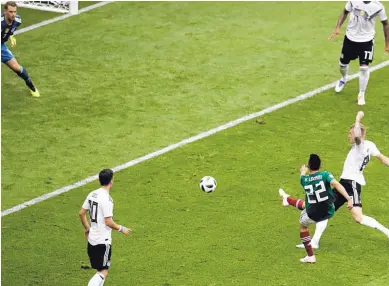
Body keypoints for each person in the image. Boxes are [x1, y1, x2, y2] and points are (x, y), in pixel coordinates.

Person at [280, 111, 389, 249]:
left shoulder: (360, 146)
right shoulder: (370, 145)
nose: (349, 136)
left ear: (358, 135)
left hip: (352, 184)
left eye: (350, 133)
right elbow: (383, 159)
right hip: (345, 183)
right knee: (325, 210)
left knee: (358, 217)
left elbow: (357, 135)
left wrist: (357, 118)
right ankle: (315, 242)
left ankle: (387, 232)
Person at [288, 154, 352, 263]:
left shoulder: (304, 180)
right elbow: (337, 185)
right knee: (307, 205)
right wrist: (349, 199)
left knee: (303, 226)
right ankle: (287, 200)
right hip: (329, 210)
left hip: (313, 213)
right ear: (320, 165)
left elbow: (302, 177)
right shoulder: (325, 175)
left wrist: (303, 171)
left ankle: (310, 256)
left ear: (309, 166)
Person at [328, 1, 389, 105]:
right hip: (350, 38)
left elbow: (385, 24)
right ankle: (343, 78)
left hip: (367, 40)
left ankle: (361, 93)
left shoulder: (378, 7)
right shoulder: (353, 1)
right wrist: (337, 27)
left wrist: (387, 43)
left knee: (364, 68)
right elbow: (345, 12)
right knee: (342, 64)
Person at [79, 169, 131, 286]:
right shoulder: (107, 200)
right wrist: (122, 228)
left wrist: (87, 228)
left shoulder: (92, 194)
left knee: (100, 270)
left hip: (92, 240)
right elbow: (108, 222)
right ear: (111, 181)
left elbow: (81, 213)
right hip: (103, 242)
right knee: (103, 272)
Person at [1, 1, 40, 97]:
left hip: (1, 47)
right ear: (5, 11)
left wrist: (11, 36)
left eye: (15, 11)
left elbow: (10, 30)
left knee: (18, 69)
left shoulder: (18, 21)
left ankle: (32, 88)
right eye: (10, 12)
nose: (13, 14)